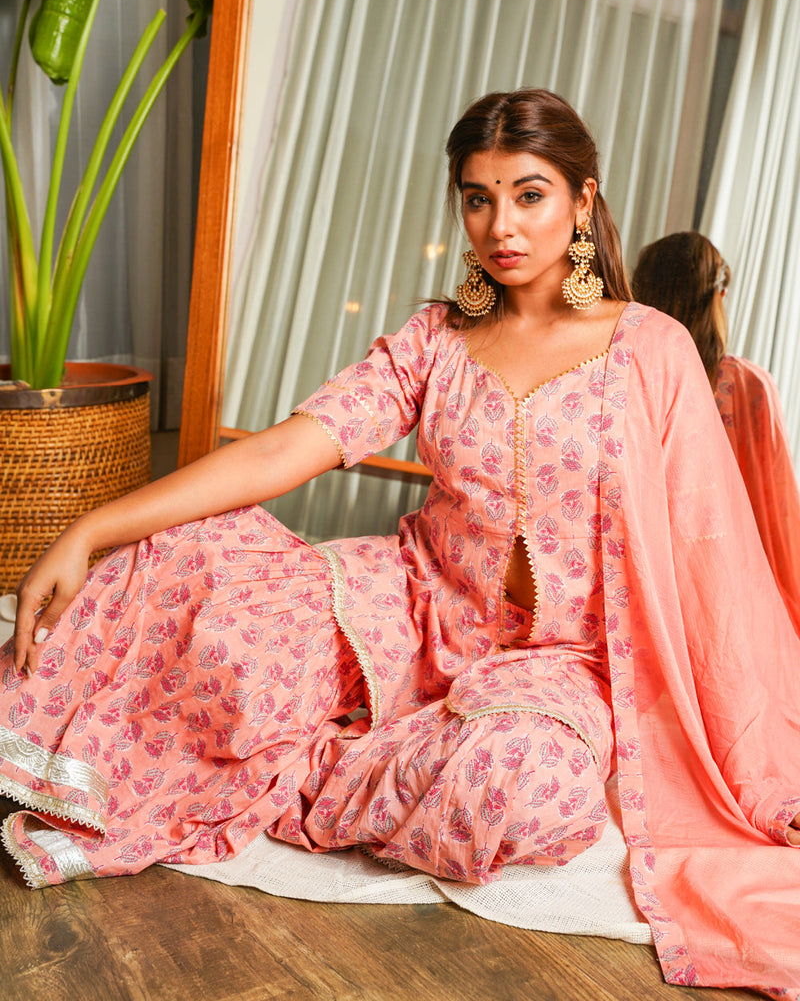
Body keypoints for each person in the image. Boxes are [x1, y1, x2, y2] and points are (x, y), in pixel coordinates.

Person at [1, 90, 800, 997]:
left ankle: (297, 767)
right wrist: (92, 528)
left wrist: (769, 779)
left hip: (562, 660)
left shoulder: (648, 349)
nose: (501, 226)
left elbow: (711, 557)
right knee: (192, 566)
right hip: (413, 606)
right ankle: (292, 736)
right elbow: (282, 451)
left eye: (529, 195)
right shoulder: (439, 339)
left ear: (583, 200)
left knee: (516, 784)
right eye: (478, 198)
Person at [632, 230, 800, 633]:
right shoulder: (746, 386)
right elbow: (775, 513)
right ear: (717, 297)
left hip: (640, 582)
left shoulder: (622, 376)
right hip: (723, 594)